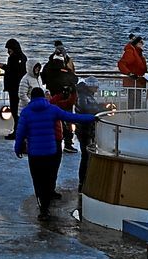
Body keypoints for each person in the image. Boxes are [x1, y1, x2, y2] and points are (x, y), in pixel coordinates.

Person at [13, 86, 98, 220]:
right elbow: (72, 117)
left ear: (32, 98)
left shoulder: (26, 112)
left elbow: (20, 134)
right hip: (51, 152)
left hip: (35, 154)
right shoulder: (52, 109)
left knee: (38, 181)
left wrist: (18, 149)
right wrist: (93, 117)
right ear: (43, 97)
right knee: (48, 180)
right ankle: (46, 205)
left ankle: (43, 209)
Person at [43, 53, 79, 151]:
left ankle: (54, 141)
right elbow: (75, 79)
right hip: (66, 100)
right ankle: (68, 143)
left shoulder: (48, 70)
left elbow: (43, 79)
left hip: (53, 101)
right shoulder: (66, 72)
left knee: (54, 122)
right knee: (68, 121)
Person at [1, 39, 28, 126]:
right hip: (21, 87)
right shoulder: (23, 58)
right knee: (19, 109)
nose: (8, 52)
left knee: (14, 108)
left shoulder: (12, 59)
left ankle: (17, 128)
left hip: (13, 87)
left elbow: (11, 70)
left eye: (9, 49)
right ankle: (19, 128)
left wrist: (3, 66)